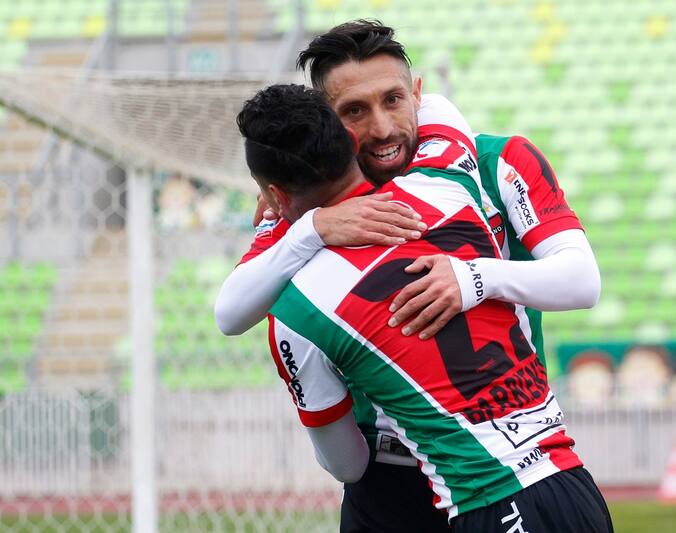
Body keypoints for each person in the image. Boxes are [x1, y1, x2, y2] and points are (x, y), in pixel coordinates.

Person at [215, 20, 601, 533]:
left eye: (394, 100)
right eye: (354, 111)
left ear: (416, 94)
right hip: (389, 481)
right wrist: (310, 228)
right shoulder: (298, 219)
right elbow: (231, 309)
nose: (380, 128)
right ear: (325, 125)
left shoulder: (490, 163)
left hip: (504, 462)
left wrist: (474, 277)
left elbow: (581, 280)